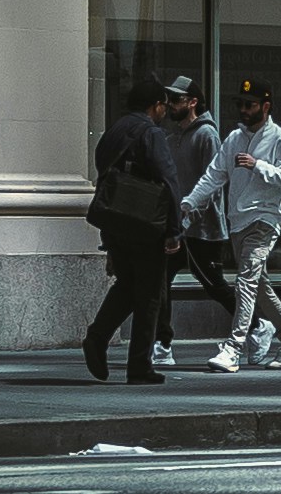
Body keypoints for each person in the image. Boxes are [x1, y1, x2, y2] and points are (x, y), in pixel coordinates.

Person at [80, 73, 206, 383]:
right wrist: (174, 230)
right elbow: (169, 180)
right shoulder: (152, 134)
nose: (165, 110)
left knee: (126, 284)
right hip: (145, 223)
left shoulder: (113, 132)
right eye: (163, 105)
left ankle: (98, 336)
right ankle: (140, 365)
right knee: (150, 294)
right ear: (154, 107)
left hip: (114, 220)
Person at [192, 79, 281, 369]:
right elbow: (214, 175)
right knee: (259, 284)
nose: (243, 110)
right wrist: (190, 201)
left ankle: (233, 347)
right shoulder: (234, 139)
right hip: (238, 222)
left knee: (246, 282)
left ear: (266, 107)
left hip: (265, 219)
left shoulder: (280, 139)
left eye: (250, 105)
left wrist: (259, 166)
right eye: (241, 104)